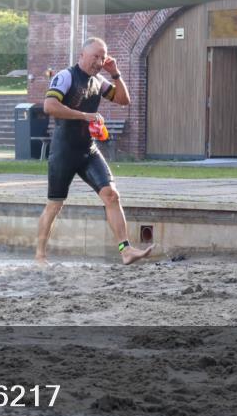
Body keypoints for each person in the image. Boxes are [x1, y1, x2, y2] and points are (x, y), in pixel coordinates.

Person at [35, 37, 154, 266]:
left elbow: (124, 100)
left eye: (102, 58)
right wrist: (84, 116)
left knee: (111, 195)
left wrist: (115, 74)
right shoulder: (66, 76)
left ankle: (126, 250)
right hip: (64, 151)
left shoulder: (99, 80)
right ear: (82, 55)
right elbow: (49, 106)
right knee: (55, 204)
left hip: (88, 150)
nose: (98, 62)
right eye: (94, 57)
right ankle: (40, 255)